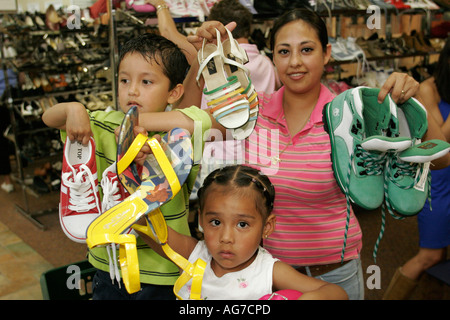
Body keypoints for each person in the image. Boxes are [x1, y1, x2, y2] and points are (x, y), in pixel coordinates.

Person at [186, 9, 450, 300]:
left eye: (307, 49)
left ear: (326, 53)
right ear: (272, 57)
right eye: (284, 51)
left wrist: (412, 109)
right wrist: (197, 59)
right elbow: (189, 125)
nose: (295, 62)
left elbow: (441, 160)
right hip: (264, 274)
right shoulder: (252, 112)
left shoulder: (352, 114)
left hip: (334, 273)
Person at [42, 33, 212, 299]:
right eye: (124, 80)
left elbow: (201, 121)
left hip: (164, 271)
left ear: (174, 92)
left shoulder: (179, 133)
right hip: (107, 267)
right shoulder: (101, 123)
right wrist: (72, 109)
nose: (132, 90)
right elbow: (49, 118)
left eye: (146, 81)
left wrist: (133, 123)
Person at [137, 164, 348, 300]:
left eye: (242, 225)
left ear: (267, 227)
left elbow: (337, 294)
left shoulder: (268, 270)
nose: (226, 238)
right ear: (201, 219)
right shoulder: (193, 254)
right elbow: (149, 228)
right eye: (216, 222)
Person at [383, 37, 450, 300]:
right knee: (430, 255)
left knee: (441, 257)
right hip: (437, 181)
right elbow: (439, 143)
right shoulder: (428, 89)